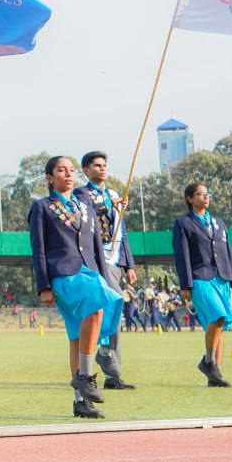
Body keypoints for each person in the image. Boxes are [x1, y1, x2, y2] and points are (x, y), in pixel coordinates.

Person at [28, 155, 123, 420]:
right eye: (62, 170)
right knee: (97, 306)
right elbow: (39, 249)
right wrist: (43, 286)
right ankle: (85, 376)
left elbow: (95, 247)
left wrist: (102, 276)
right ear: (50, 177)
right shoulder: (42, 207)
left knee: (77, 336)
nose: (68, 174)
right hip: (63, 274)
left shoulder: (85, 206)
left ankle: (80, 402)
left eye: (71, 170)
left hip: (90, 272)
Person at [75, 151, 137, 390]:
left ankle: (112, 371)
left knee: (115, 310)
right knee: (113, 303)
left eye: (104, 165)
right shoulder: (83, 193)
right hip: (97, 259)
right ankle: (104, 355)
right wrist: (109, 204)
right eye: (96, 166)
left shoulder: (113, 194)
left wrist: (129, 264)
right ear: (86, 170)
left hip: (116, 259)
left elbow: (123, 232)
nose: (102, 169)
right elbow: (88, 212)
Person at [172, 182, 232, 389]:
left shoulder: (218, 222)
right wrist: (185, 284)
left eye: (207, 194)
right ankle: (209, 362)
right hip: (200, 278)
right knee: (217, 316)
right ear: (190, 199)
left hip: (222, 278)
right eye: (200, 194)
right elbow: (181, 256)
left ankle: (215, 374)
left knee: (220, 326)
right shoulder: (183, 223)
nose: (205, 197)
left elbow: (228, 252)